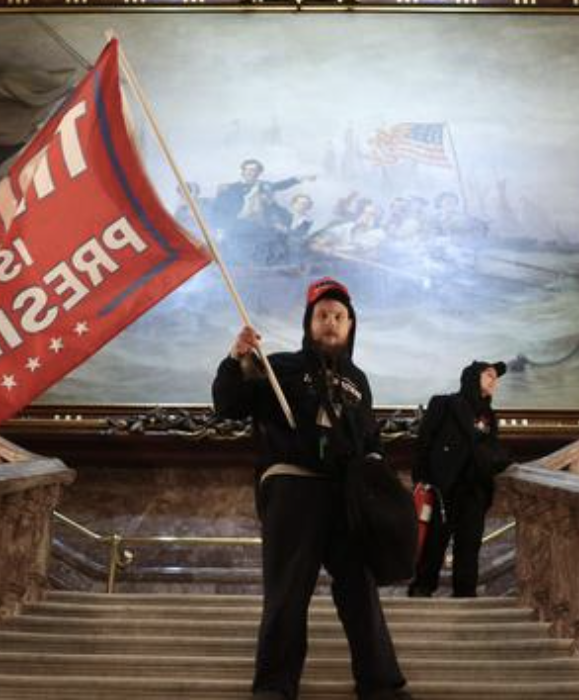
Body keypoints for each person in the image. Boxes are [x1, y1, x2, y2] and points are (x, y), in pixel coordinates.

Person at [213, 278, 410, 700]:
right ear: (310, 323)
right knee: (287, 593)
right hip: (294, 489)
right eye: (322, 316)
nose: (331, 323)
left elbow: (371, 440)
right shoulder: (278, 366)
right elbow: (228, 405)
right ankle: (275, 688)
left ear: (352, 325)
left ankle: (382, 686)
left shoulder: (359, 380)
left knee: (360, 590)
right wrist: (236, 359)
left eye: (339, 317)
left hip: (346, 497)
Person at [408, 360, 512, 598]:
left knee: (469, 546)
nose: (493, 380)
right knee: (434, 544)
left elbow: (491, 450)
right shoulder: (443, 403)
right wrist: (422, 480)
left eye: (495, 377)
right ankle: (422, 590)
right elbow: (424, 444)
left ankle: (465, 596)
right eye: (488, 375)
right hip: (442, 489)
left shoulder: (488, 416)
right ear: (472, 377)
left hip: (474, 490)